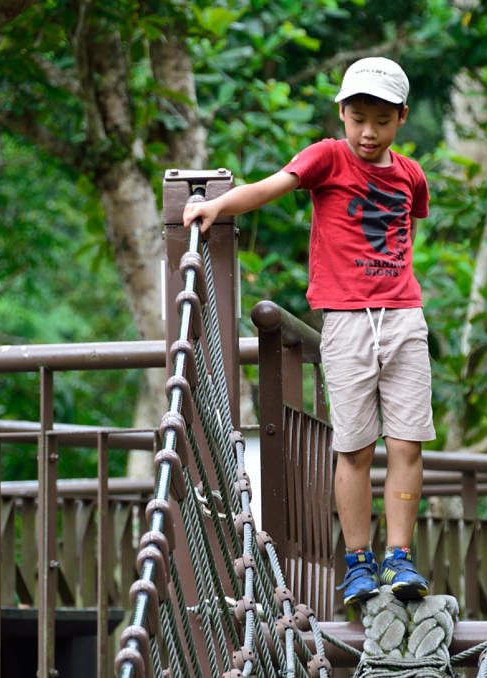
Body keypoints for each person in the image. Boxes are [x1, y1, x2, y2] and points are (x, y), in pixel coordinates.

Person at [183, 57, 434, 605]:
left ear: (401, 119)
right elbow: (274, 186)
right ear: (341, 113)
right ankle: (358, 562)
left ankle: (400, 558)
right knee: (354, 446)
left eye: (382, 121)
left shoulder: (411, 174)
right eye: (358, 117)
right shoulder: (327, 156)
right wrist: (218, 205)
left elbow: (410, 223)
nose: (368, 132)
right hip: (344, 320)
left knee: (408, 444)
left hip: (403, 317)